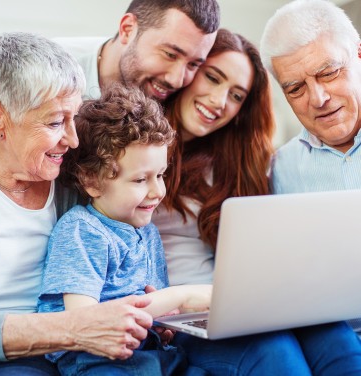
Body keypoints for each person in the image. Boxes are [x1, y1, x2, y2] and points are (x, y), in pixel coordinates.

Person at [151, 28, 361, 375]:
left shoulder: (237, 165)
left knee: (337, 340)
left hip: (239, 306)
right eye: (213, 78)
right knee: (275, 352)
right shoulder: (136, 154)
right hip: (180, 314)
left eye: (236, 96)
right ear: (189, 72)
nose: (219, 102)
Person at [0, 32, 154, 374]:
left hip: (80, 348)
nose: (73, 139)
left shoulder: (72, 179)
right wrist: (73, 329)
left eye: (72, 119)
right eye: (54, 122)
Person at [38, 83, 213, 375]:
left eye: (160, 174)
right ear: (92, 181)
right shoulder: (82, 230)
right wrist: (179, 298)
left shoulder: (147, 232)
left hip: (148, 351)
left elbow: (153, 300)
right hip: (95, 358)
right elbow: (83, 321)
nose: (158, 191)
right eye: (140, 180)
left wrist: (165, 322)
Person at [259, 0, 361, 335]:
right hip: (328, 337)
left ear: (358, 54)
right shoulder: (281, 169)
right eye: (296, 88)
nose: (318, 98)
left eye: (329, 72)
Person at [54, 0, 219, 102]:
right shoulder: (49, 70)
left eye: (193, 64)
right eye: (170, 54)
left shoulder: (179, 101)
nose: (176, 80)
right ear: (127, 29)